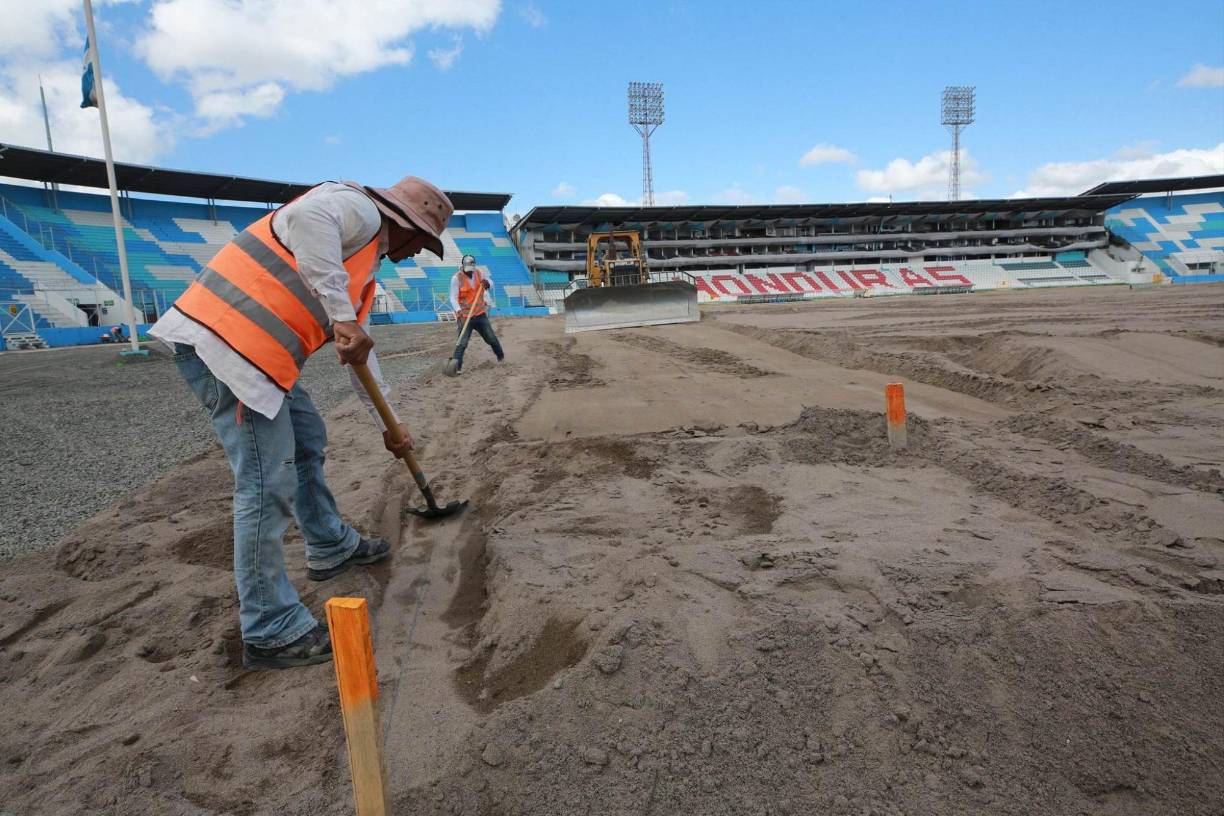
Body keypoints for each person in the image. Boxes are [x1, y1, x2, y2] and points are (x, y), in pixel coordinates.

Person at [150, 176, 454, 670]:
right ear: (406, 225)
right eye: (422, 242)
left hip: (261, 359)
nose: (418, 255)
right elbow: (305, 219)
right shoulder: (358, 208)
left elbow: (363, 361)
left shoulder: (364, 268)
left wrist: (391, 427)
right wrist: (341, 317)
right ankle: (270, 628)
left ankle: (329, 545)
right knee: (266, 484)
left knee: (308, 438)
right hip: (226, 346)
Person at [448, 253, 505, 374]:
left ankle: (501, 357)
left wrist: (487, 283)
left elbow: (490, 281)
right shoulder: (456, 278)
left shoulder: (479, 273)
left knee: (491, 338)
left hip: (479, 313)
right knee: (462, 342)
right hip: (464, 316)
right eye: (468, 270)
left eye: (471, 270)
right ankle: (456, 367)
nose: (470, 272)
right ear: (462, 266)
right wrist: (458, 310)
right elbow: (453, 297)